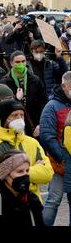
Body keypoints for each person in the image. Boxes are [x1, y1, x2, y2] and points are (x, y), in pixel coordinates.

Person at [0, 99, 53, 201]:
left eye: (22, 115)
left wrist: (13, 172)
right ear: (4, 118)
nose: (19, 118)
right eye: (14, 115)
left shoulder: (32, 143)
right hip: (5, 204)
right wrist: (33, 171)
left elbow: (47, 174)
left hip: (33, 204)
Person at [0, 150, 44, 226]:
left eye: (27, 170)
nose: (25, 175)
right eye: (20, 171)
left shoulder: (31, 199)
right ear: (6, 175)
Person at [38, 71, 71, 225]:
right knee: (54, 200)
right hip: (59, 164)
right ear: (64, 86)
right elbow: (47, 136)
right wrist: (62, 158)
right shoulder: (51, 106)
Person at [0, 51, 47, 137]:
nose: (21, 64)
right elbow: (3, 107)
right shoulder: (5, 82)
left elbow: (43, 103)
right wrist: (16, 99)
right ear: (11, 63)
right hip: (13, 125)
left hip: (34, 125)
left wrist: (40, 124)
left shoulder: (35, 80)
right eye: (17, 62)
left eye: (23, 61)